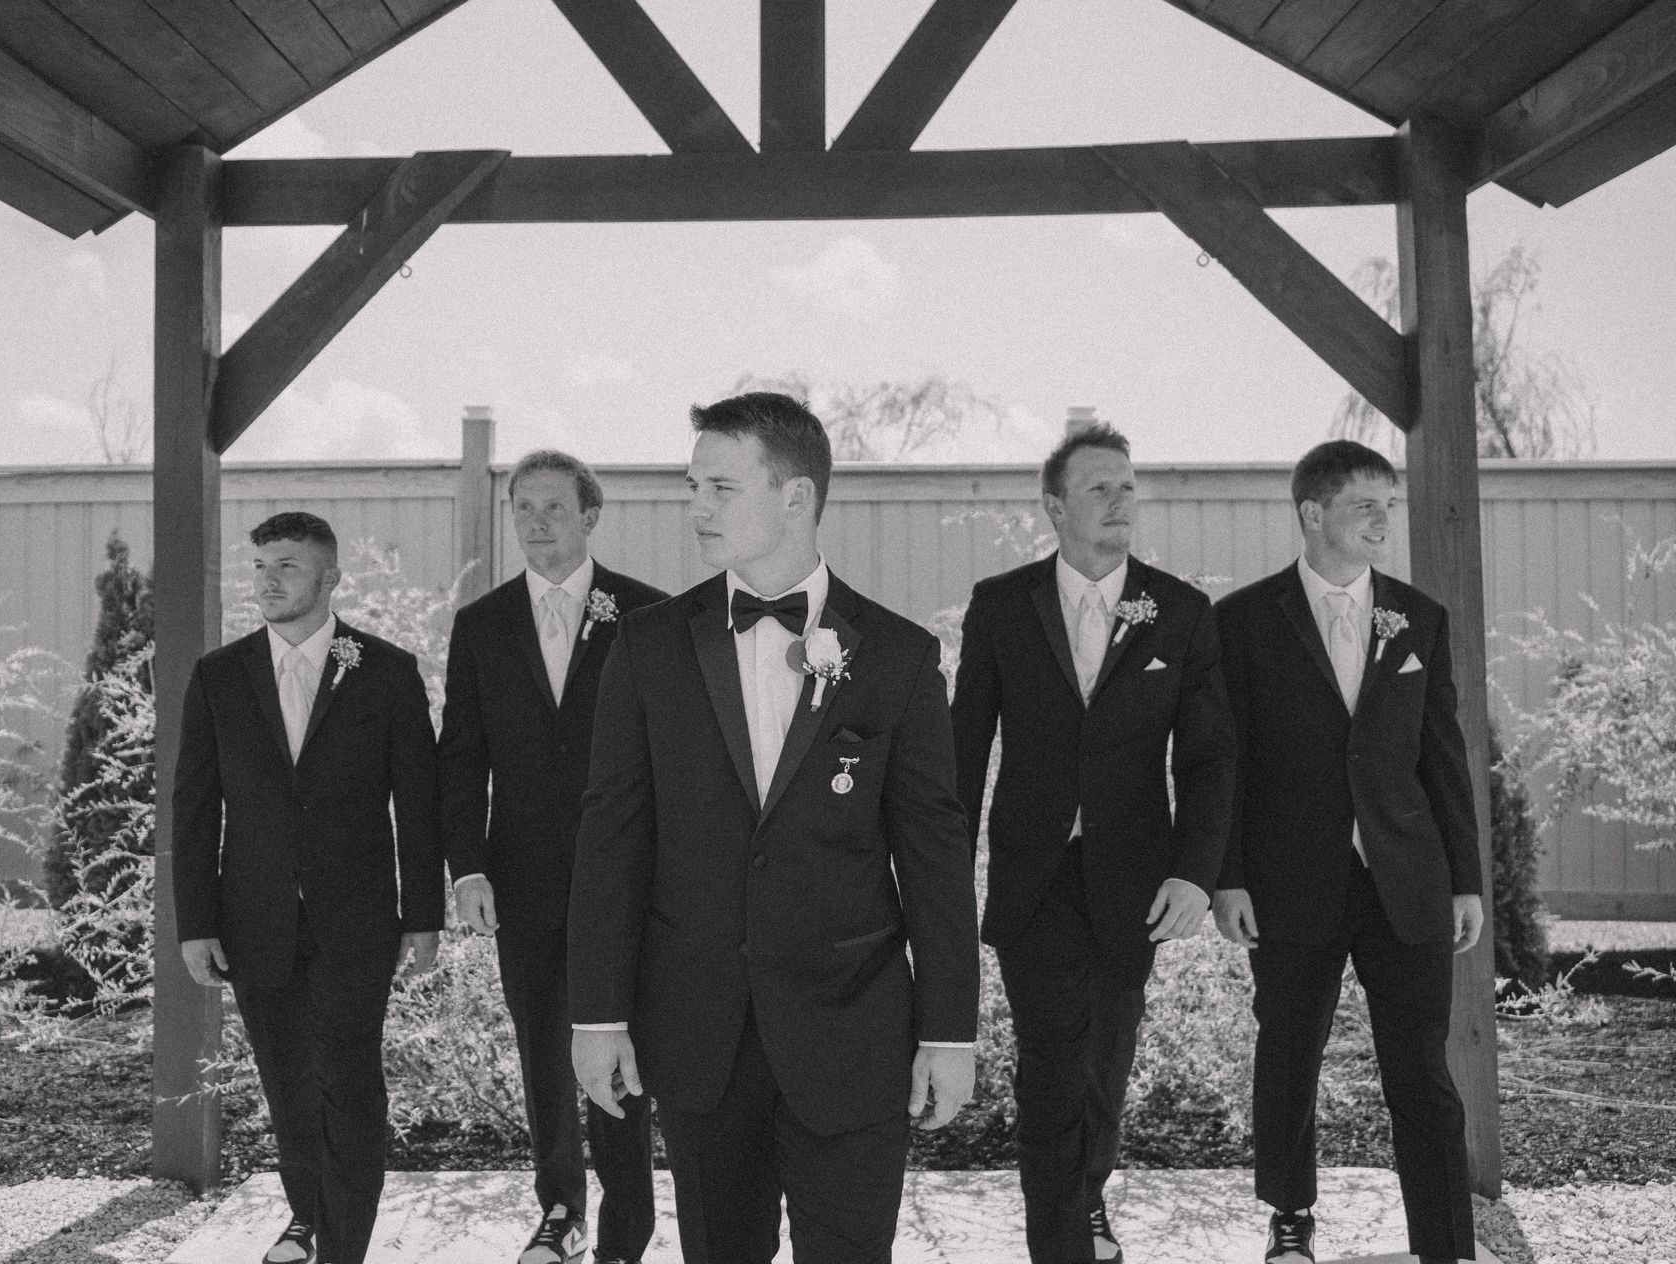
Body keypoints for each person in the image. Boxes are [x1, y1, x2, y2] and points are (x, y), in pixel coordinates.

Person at [567, 391, 980, 1264]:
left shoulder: (899, 657)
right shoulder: (645, 649)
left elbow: (936, 856)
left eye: (721, 487)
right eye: (693, 486)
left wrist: (950, 1031)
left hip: (854, 1032)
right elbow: (612, 843)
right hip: (697, 1032)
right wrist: (597, 1014)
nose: (697, 509)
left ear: (796, 498)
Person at [949, 422, 1235, 1264]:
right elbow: (966, 748)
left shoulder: (1179, 612)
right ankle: (1061, 1240)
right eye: (1100, 488)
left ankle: (1086, 1197)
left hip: (1136, 881)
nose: (1121, 502)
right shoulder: (1001, 605)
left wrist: (1194, 873)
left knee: (1106, 1061)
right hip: (1034, 876)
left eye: (1128, 486)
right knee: (1049, 1065)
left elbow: (1212, 756)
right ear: (1054, 508)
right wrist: (941, 880)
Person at [1212, 440, 1482, 1264]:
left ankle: (1445, 1241)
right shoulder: (1243, 621)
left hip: (1406, 880)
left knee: (1422, 1072)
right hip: (1290, 882)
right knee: (1289, 1056)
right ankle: (1290, 1219)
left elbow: (1443, 755)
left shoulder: (1418, 617)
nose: (1381, 519)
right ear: (1312, 513)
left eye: (1388, 505)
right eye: (1365, 504)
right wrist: (1226, 878)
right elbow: (1225, 760)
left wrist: (1465, 881)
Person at [170, 511, 443, 1264]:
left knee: (349, 1078)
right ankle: (310, 1214)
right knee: (287, 1079)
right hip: (252, 916)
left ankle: (342, 1245)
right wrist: (194, 921)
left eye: (286, 566)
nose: (267, 580)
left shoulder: (385, 670)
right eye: (259, 565)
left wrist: (423, 916)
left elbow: (416, 804)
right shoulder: (220, 676)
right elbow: (194, 805)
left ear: (329, 577)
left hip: (357, 920)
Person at [440, 450, 667, 1264]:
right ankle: (561, 1210)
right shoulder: (482, 624)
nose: (536, 523)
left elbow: (675, 760)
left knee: (622, 1051)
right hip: (522, 880)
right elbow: (460, 758)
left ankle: (628, 1224)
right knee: (543, 1048)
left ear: (590, 517)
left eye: (553, 508)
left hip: (629, 883)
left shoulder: (648, 616)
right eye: (523, 508)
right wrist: (466, 867)